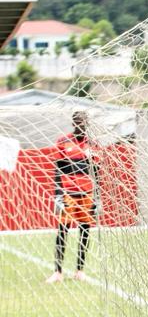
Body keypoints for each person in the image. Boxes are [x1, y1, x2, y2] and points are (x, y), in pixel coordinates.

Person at [45, 112, 96, 284]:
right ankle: (58, 272)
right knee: (63, 230)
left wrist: (97, 197)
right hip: (68, 192)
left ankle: (80, 271)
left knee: (85, 230)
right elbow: (58, 170)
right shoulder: (63, 141)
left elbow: (96, 171)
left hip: (87, 193)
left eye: (84, 122)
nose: (82, 125)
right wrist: (58, 195)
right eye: (79, 122)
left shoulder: (92, 143)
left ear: (88, 124)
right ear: (74, 123)